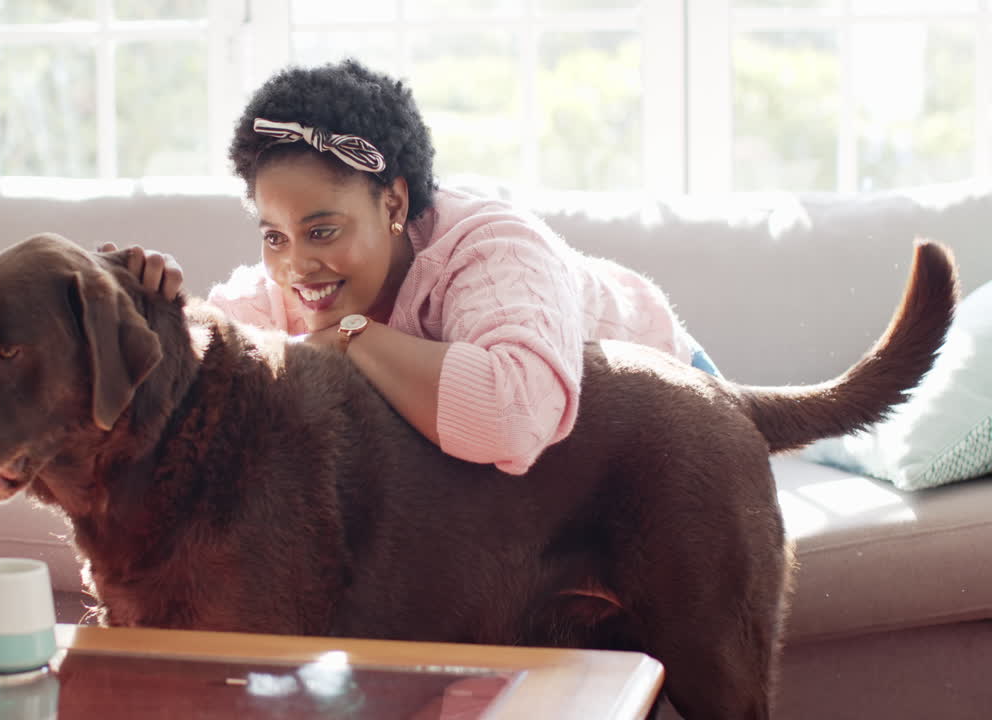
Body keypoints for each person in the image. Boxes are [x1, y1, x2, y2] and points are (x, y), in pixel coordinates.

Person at [106, 59, 718, 475]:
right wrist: (138, 303)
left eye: (322, 230)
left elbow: (513, 418)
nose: (296, 265)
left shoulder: (493, 250)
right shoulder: (290, 284)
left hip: (683, 407)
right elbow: (202, 362)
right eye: (274, 236)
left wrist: (353, 337)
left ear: (393, 202)